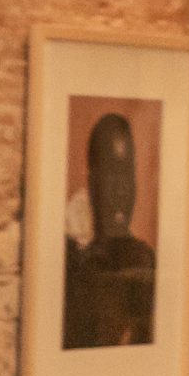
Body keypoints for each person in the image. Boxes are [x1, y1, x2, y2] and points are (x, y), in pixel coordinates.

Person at [63, 109, 156, 350]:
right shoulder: (69, 263)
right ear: (92, 183)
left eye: (127, 175)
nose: (121, 190)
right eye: (112, 174)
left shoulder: (145, 261)